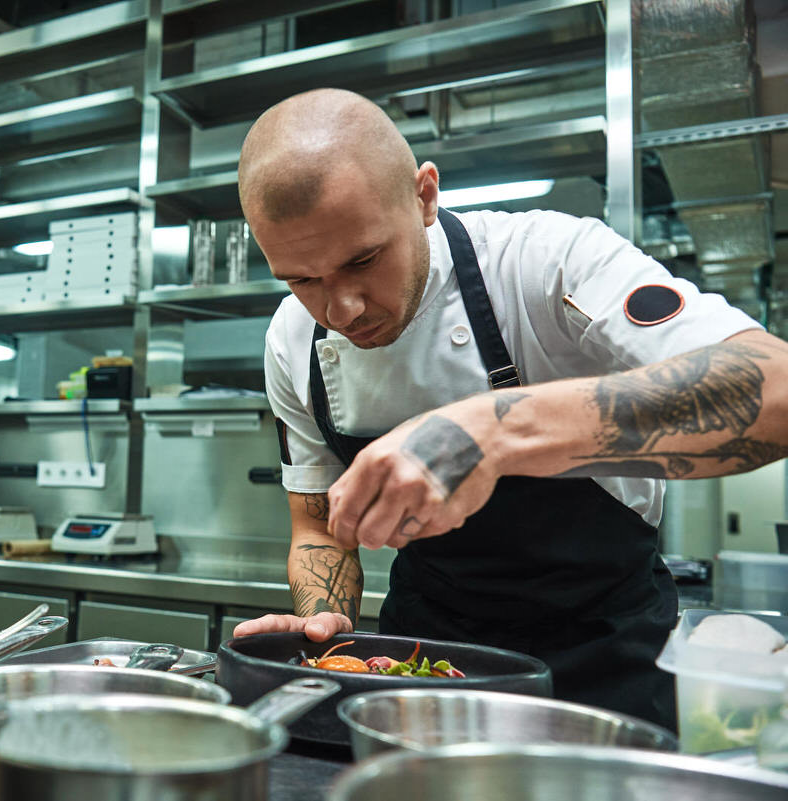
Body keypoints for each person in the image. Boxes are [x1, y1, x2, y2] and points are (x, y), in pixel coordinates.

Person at [231, 88, 788, 729]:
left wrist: (490, 430)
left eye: (364, 259)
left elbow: (772, 389)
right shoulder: (293, 339)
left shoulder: (544, 262)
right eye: (301, 279)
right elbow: (319, 526)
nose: (341, 309)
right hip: (428, 659)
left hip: (604, 655)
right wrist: (323, 624)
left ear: (424, 195)